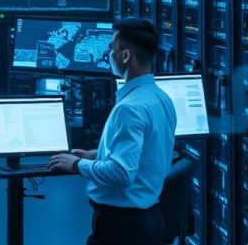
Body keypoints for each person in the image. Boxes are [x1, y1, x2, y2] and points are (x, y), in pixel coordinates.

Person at [47, 18, 176, 245]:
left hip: (123, 228)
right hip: (151, 220)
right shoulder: (161, 98)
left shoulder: (129, 108)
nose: (109, 55)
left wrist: (77, 164)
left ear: (125, 56)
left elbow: (121, 173)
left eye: (112, 49)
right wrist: (97, 154)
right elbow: (147, 150)